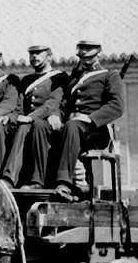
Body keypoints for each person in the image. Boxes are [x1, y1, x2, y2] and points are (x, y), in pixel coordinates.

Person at [47, 40, 124, 201]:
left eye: (90, 51)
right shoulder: (74, 78)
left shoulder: (110, 76)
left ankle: (64, 183)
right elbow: (64, 104)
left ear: (99, 53)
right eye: (82, 51)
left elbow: (116, 106)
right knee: (46, 130)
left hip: (95, 130)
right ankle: (47, 184)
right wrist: (54, 115)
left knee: (73, 126)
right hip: (72, 128)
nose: (85, 55)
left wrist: (90, 118)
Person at [0, 44, 67, 188]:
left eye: (39, 53)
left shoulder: (60, 77)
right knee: (1, 126)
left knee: (25, 125)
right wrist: (9, 117)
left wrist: (31, 117)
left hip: (48, 124)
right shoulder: (27, 80)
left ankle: (9, 179)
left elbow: (53, 103)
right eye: (32, 53)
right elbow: (19, 108)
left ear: (49, 56)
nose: (34, 56)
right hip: (27, 123)